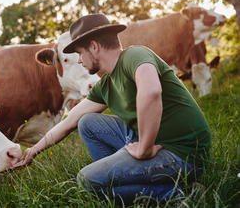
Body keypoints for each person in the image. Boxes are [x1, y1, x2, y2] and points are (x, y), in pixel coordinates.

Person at [12, 13, 211, 204]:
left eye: (80, 53)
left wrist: (144, 149)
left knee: (87, 180)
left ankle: (182, 192)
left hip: (184, 154)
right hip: (155, 144)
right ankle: (124, 178)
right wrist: (34, 150)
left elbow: (151, 91)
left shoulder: (135, 55)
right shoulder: (106, 85)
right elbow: (70, 120)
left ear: (94, 46)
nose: (80, 60)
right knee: (87, 122)